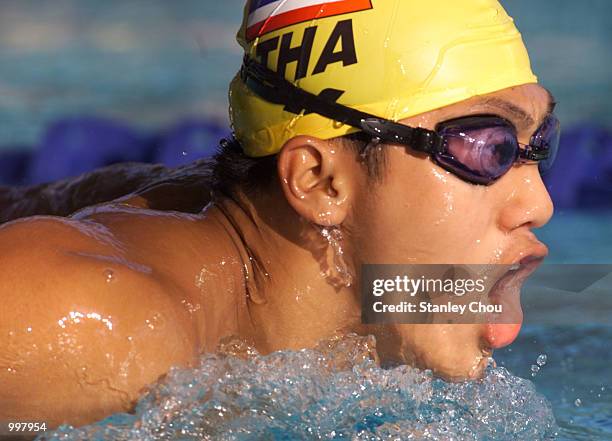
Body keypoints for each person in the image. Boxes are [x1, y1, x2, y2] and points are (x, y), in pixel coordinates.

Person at [0, 0, 559, 429]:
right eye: (486, 147)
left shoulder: (367, 309)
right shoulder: (84, 326)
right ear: (318, 182)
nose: (539, 204)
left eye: (541, 144)